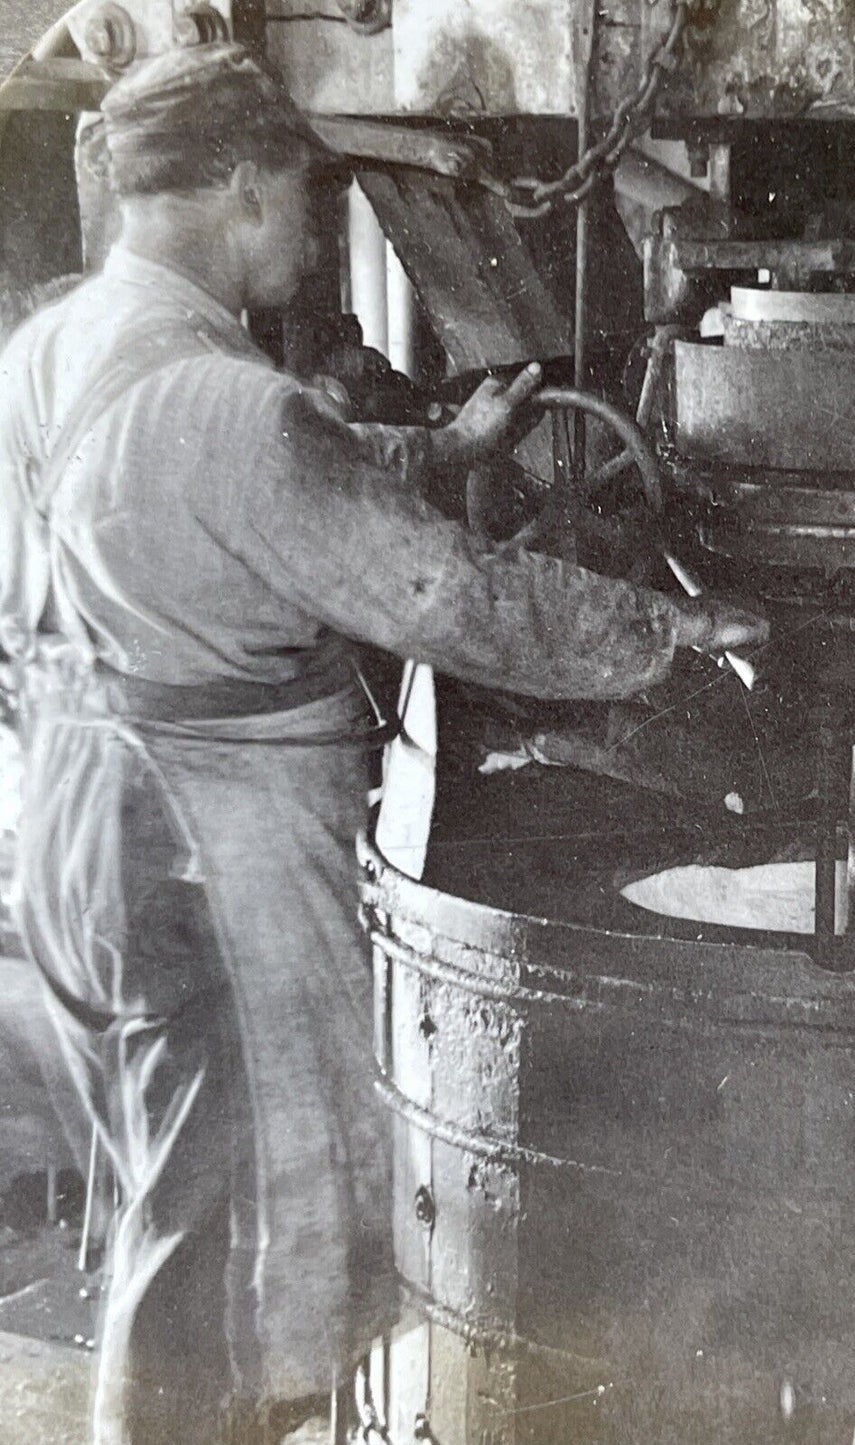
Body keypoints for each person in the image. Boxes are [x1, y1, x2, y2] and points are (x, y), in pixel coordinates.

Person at [0, 41, 766, 1445]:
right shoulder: (229, 405)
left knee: (165, 1182)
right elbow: (448, 599)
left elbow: (240, 500)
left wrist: (441, 457)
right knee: (237, 1224)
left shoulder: (49, 350)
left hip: (72, 816)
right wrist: (672, 629)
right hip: (203, 851)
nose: (304, 235)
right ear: (238, 186)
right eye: (295, 201)